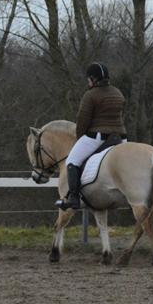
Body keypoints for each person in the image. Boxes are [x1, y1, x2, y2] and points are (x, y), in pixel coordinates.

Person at [57, 62, 127, 210]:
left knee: (72, 161)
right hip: (121, 137)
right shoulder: (118, 93)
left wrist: (80, 137)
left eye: (89, 79)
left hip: (98, 137)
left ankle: (73, 198)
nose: (88, 82)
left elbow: (83, 120)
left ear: (93, 79)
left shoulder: (90, 95)